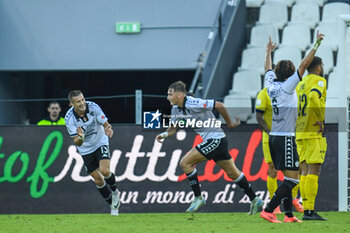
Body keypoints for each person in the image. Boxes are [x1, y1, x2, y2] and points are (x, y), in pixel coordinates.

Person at [156, 81, 263, 214]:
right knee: (233, 173)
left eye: (170, 94)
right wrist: (164, 134)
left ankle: (198, 197)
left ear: (179, 95)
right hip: (216, 141)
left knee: (185, 163)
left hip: (216, 139)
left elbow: (219, 105)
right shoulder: (176, 109)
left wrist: (229, 123)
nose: (168, 97)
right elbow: (173, 128)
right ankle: (255, 199)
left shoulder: (193, 103)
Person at [260, 31, 324, 223]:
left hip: (274, 136)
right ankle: (268, 209)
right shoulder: (288, 86)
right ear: (290, 74)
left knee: (288, 177)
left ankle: (288, 215)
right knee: (293, 179)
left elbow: (267, 68)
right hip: (286, 137)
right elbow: (304, 65)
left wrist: (268, 51)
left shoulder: (270, 84)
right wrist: (316, 45)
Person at [64, 90, 120, 216]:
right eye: (78, 102)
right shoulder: (69, 119)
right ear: (72, 104)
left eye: (83, 99)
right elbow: (77, 142)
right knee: (98, 180)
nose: (82, 103)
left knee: (105, 171)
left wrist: (108, 129)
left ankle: (115, 192)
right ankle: (113, 205)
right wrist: (81, 138)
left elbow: (105, 124)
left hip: (100, 141)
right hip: (86, 149)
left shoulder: (93, 107)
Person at [256, 87, 304, 214]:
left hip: (289, 136)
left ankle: (293, 199)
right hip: (271, 137)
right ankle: (274, 203)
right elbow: (259, 115)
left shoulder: (292, 90)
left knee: (296, 168)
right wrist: (269, 131)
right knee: (273, 168)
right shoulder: (265, 93)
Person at [296, 56, 328, 221]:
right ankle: (310, 211)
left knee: (305, 170)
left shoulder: (300, 83)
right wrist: (320, 119)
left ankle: (306, 209)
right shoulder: (319, 81)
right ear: (318, 68)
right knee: (314, 170)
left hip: (300, 130)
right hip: (313, 131)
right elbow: (314, 98)